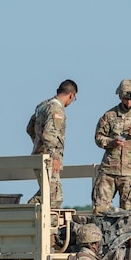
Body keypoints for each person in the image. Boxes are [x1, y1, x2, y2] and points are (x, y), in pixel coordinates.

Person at [92, 79, 131, 213]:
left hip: (130, 172)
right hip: (109, 170)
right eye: (125, 98)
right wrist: (111, 142)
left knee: (128, 213)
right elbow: (98, 137)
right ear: (120, 96)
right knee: (100, 211)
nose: (128, 102)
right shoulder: (109, 116)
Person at [27, 79, 78, 208]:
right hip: (48, 160)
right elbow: (49, 135)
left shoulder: (43, 106)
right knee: (55, 197)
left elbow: (29, 128)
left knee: (47, 193)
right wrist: (53, 157)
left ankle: (26, 213)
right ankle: (27, 215)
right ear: (71, 95)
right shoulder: (57, 110)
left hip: (38, 157)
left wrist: (37, 145)